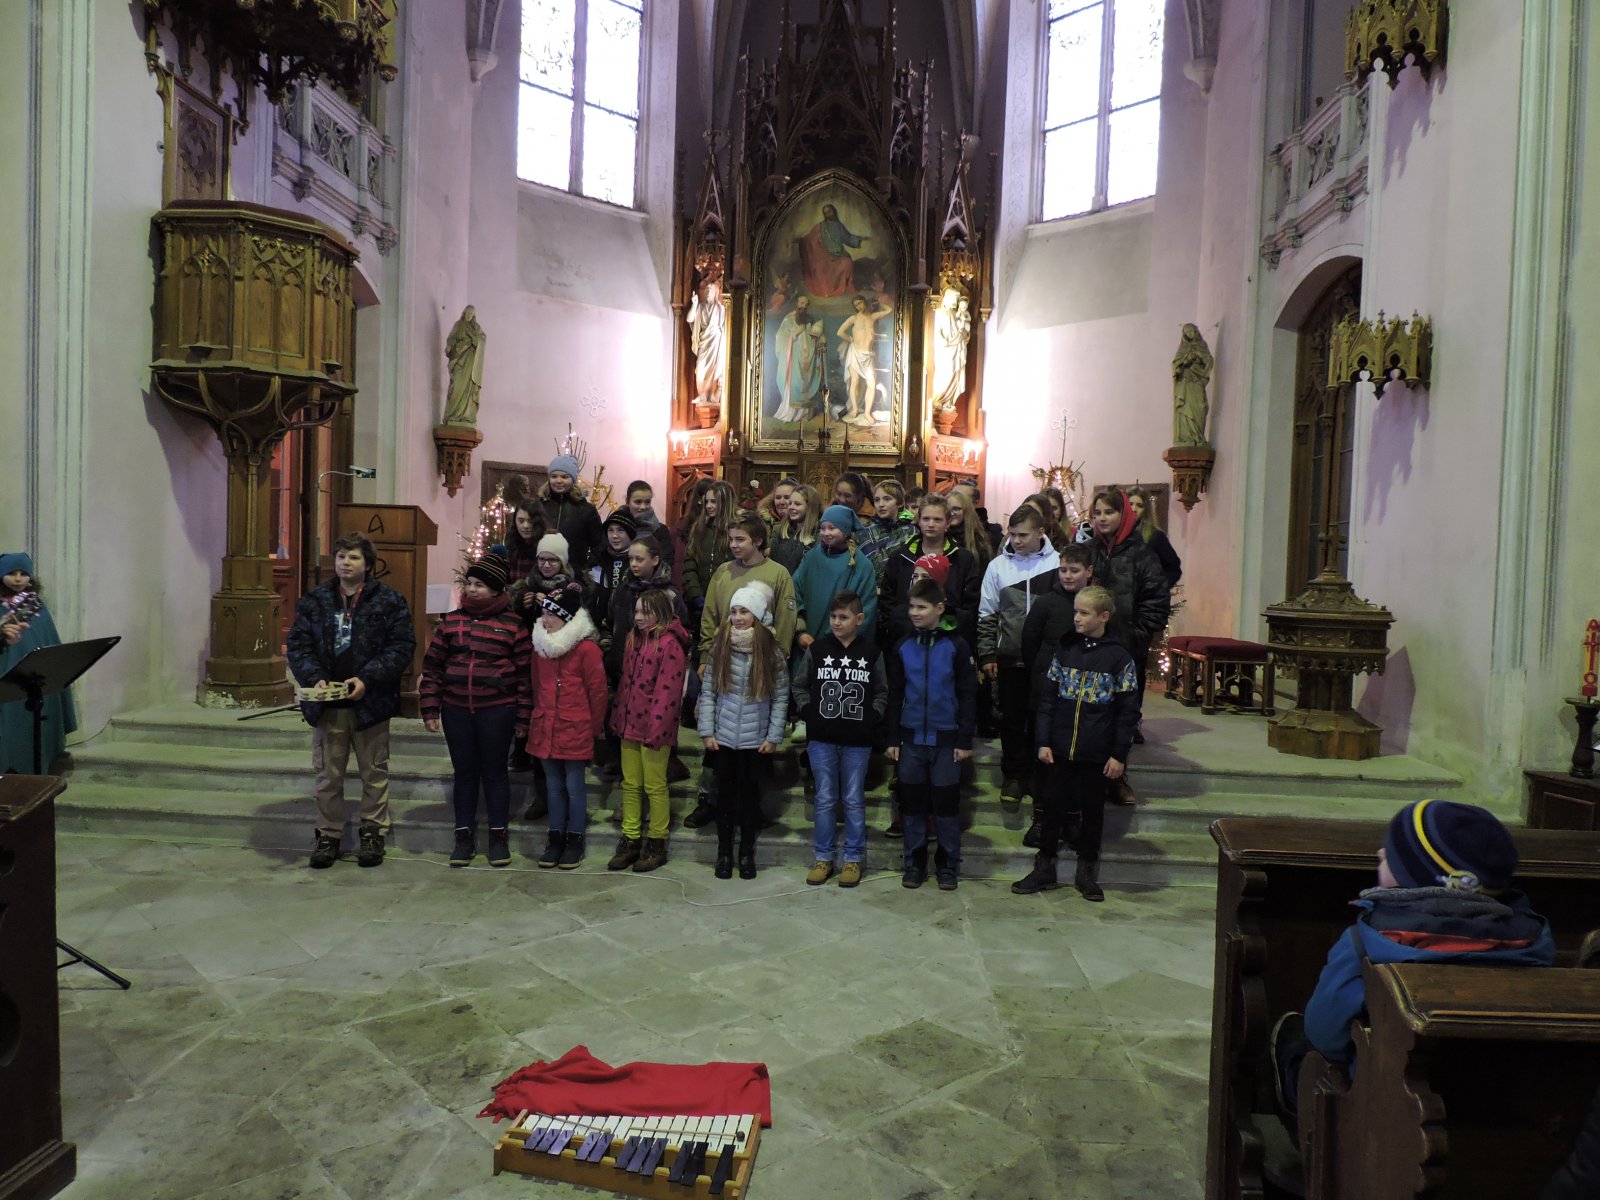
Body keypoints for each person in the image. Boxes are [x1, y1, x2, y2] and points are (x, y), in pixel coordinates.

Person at [1269, 800, 1554, 1137]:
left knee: (1299, 1048)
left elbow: (1325, 1034)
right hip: (1504, 1115)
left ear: (1414, 877)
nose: (1380, 852)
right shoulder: (1534, 945)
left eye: (1392, 854)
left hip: (1385, 1118)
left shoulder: (1364, 943)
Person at [285, 535, 415, 869]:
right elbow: (298, 644)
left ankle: (373, 832)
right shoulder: (315, 600)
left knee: (374, 773)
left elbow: (401, 646)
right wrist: (314, 678)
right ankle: (328, 834)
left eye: (354, 557)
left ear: (368, 564)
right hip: (329, 703)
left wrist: (367, 678)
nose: (345, 562)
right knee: (328, 776)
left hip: (370, 702)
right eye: (341, 556)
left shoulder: (389, 600)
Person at [1012, 586, 1139, 902]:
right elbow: (1048, 700)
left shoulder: (1118, 658)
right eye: (1076, 612)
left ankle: (1087, 873)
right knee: (1051, 809)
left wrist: (1118, 754)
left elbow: (1127, 712)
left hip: (1096, 752)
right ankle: (1044, 867)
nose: (1077, 618)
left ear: (1103, 616)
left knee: (1092, 813)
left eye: (1084, 613)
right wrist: (1043, 741)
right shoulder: (1066, 649)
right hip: (1058, 748)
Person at [420, 549, 533, 869]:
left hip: (497, 711)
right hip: (457, 710)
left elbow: (525, 676)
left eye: (479, 585)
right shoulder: (452, 621)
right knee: (465, 774)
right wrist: (430, 707)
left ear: (496, 590)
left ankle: (498, 837)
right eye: (469, 583)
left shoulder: (512, 625)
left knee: (495, 774)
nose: (471, 589)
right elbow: (433, 667)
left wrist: (523, 716)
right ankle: (464, 837)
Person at [685, 514, 798, 829]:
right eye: (731, 539)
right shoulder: (723, 572)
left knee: (753, 747)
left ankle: (752, 807)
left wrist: (776, 659)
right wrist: (705, 655)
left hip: (760, 668)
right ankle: (709, 800)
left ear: (758, 541)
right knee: (717, 743)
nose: (733, 545)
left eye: (740, 539)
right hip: (723, 664)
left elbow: (785, 622)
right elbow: (710, 615)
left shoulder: (777, 574)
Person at [885, 579, 976, 890]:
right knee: (911, 805)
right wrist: (892, 737)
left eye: (921, 607)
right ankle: (914, 862)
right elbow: (895, 694)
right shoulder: (902, 646)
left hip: (946, 740)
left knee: (946, 806)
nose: (914, 612)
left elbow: (967, 694)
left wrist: (964, 739)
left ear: (939, 608)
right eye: (911, 606)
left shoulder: (956, 646)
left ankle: (948, 864)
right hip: (911, 740)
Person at [793, 590, 887, 888]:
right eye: (833, 616)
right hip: (821, 739)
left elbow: (882, 691)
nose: (836, 622)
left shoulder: (871, 653)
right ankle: (823, 858)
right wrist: (808, 711)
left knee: (853, 799)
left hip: (858, 742)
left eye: (843, 617)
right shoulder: (818, 649)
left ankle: (853, 859)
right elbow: (799, 685)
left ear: (859, 619)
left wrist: (872, 716)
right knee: (824, 798)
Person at [697, 584, 789, 880]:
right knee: (723, 799)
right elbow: (709, 692)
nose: (737, 617)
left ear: (757, 616)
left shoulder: (771, 651)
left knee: (750, 800)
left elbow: (780, 697)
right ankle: (724, 853)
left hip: (755, 740)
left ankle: (746, 853)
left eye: (744, 612)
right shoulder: (720, 645)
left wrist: (773, 736)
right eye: (734, 611)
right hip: (723, 738)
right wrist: (707, 731)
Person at [1088, 486, 1172, 800]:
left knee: (1122, 714)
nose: (1102, 518)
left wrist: (1135, 634)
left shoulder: (1142, 554)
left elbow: (1156, 600)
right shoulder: (1088, 550)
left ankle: (1117, 777)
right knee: (1091, 713)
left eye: (1109, 512)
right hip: (1089, 649)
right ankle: (1088, 777)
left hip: (1125, 649)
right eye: (1097, 512)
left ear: (1123, 515)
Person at [977, 505, 1061, 808]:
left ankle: (1038, 774)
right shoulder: (998, 566)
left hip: (1046, 659)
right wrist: (987, 653)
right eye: (1012, 534)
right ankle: (1013, 775)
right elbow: (987, 613)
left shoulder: (1057, 563)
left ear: (1041, 533)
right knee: (1011, 720)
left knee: (1041, 718)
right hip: (1010, 656)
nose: (1016, 540)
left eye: (1023, 535)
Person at [1017, 542, 1098, 847]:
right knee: (1044, 761)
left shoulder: (1097, 604)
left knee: (1076, 763)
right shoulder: (1046, 604)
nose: (1067, 575)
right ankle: (1041, 820)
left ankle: (1072, 822)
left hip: (1082, 697)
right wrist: (1042, 677)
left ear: (1089, 572)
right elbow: (1030, 642)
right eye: (1063, 569)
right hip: (1047, 694)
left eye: (1074, 570)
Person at [608, 589, 691, 873]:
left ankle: (657, 841)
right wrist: (619, 716)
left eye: (646, 611)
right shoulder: (634, 638)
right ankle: (630, 838)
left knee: (655, 786)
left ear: (662, 613)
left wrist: (657, 728)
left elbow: (668, 693)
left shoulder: (670, 644)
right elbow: (626, 683)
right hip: (629, 722)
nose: (639, 617)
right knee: (631, 784)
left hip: (655, 728)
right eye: (637, 611)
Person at [526, 582, 606, 870]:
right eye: (544, 613)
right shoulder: (540, 647)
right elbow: (537, 686)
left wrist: (592, 730)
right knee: (553, 787)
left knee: (574, 787)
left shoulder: (586, 649)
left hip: (575, 729)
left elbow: (598, 693)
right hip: (546, 726)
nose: (545, 620)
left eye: (551, 615)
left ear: (567, 618)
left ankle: (575, 838)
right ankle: (555, 836)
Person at [0, 553, 78, 777]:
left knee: (35, 733)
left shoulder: (35, 605)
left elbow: (48, 639)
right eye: (11, 573)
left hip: (35, 680)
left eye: (24, 573)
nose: (18, 579)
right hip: (7, 679)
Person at [879, 495, 981, 650]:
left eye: (937, 519)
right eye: (926, 519)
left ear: (948, 523)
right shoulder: (900, 557)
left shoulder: (963, 559)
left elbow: (970, 604)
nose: (931, 524)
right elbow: (888, 600)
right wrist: (900, 627)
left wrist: (945, 626)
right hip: (906, 638)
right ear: (918, 521)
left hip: (949, 640)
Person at [792, 505, 879, 650]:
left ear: (845, 531)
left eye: (832, 528)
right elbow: (794, 593)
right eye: (823, 528)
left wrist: (834, 642)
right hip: (806, 645)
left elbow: (866, 611)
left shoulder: (861, 566)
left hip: (842, 649)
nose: (826, 533)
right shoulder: (811, 558)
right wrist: (800, 632)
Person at [682, 479, 738, 629]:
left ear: (725, 502)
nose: (708, 506)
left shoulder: (736, 531)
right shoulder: (699, 528)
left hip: (728, 603)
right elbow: (689, 564)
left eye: (714, 502)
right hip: (699, 602)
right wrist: (695, 594)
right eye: (706, 501)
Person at [539, 453, 604, 574]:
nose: (558, 481)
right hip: (542, 574)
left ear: (573, 479)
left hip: (574, 575)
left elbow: (598, 544)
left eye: (564, 477)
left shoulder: (586, 510)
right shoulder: (539, 506)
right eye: (554, 476)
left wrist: (586, 568)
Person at [837, 295, 893, 426]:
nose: (859, 306)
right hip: (855, 353)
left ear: (865, 302)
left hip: (868, 355)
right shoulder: (854, 318)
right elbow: (840, 332)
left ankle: (867, 412)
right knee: (854, 382)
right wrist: (850, 339)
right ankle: (855, 409)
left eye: (860, 303)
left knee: (871, 384)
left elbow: (889, 310)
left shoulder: (872, 317)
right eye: (856, 305)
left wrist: (880, 302)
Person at [773, 296, 827, 422]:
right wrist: (796, 332)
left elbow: (811, 337)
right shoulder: (788, 319)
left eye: (806, 304)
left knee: (804, 384)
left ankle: (803, 412)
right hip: (792, 357)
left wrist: (818, 339)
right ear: (796, 303)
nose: (804, 306)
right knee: (795, 383)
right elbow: (780, 337)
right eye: (802, 303)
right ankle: (790, 412)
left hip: (805, 357)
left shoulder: (807, 320)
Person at [798, 202, 868, 297]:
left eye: (829, 211)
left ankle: (846, 287)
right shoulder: (820, 227)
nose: (828, 214)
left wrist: (860, 239)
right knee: (821, 266)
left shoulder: (839, 226)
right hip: (825, 255)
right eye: (826, 213)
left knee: (847, 262)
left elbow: (848, 238)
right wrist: (801, 241)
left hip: (839, 255)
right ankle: (828, 290)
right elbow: (810, 238)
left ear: (834, 212)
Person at [1126, 486, 1182, 590]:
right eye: (1130, 504)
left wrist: (1157, 589)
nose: (1134, 509)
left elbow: (1173, 568)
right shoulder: (1116, 534)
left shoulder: (1156, 535)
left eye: (1139, 506)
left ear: (1145, 510)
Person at [856, 479, 916, 575]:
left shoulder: (911, 532)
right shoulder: (863, 531)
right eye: (877, 500)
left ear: (900, 502)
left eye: (887, 499)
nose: (881, 504)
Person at [591, 510, 637, 636]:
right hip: (601, 629)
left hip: (631, 630)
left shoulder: (637, 560)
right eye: (610, 530)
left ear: (630, 533)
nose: (614, 536)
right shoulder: (598, 560)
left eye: (620, 530)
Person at [623, 480, 675, 569]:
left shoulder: (660, 530)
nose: (643, 507)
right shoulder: (617, 527)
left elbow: (666, 562)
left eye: (647, 502)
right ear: (627, 501)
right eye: (638, 502)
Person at [770, 483, 821, 572]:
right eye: (790, 503)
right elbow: (773, 561)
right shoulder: (782, 531)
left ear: (810, 507)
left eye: (797, 504)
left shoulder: (818, 535)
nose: (791, 507)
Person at [504, 500, 549, 583]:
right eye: (521, 521)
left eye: (531, 521)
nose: (525, 526)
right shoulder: (511, 542)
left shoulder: (547, 545)